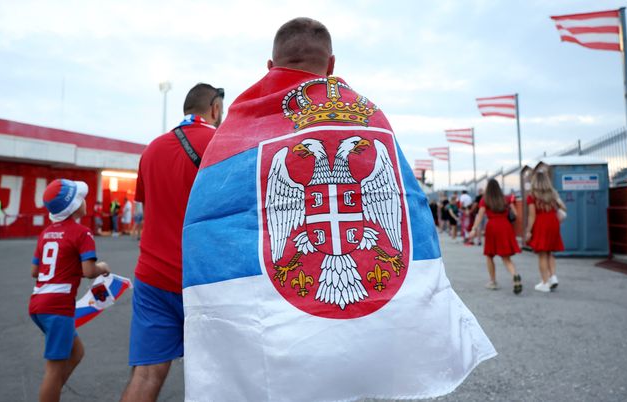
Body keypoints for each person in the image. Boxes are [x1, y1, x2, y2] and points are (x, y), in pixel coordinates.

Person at [179, 17, 496, 401]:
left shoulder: (239, 127)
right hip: (369, 329)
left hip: (283, 333)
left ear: (270, 66)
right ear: (331, 66)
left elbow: (210, 224)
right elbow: (410, 212)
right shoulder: (372, 119)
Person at [120, 83, 224, 402]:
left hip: (152, 276)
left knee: (148, 373)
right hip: (205, 279)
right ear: (215, 108)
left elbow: (149, 208)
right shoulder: (220, 144)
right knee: (218, 373)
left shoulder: (151, 149)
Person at [29, 179, 111, 402]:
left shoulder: (46, 233)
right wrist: (102, 267)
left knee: (76, 352)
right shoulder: (82, 233)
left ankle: (51, 390)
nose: (85, 202)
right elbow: (88, 270)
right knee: (54, 370)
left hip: (38, 304)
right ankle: (50, 391)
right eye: (82, 198)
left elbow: (34, 271)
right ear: (75, 205)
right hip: (58, 307)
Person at [469, 179, 522, 294]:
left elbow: (480, 215)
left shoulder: (485, 200)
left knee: (489, 255)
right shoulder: (505, 199)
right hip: (505, 226)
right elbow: (516, 214)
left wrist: (474, 229)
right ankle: (515, 275)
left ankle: (493, 281)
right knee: (506, 257)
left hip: (492, 227)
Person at [526, 171, 566, 293]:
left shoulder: (532, 195)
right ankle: (553, 277)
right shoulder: (553, 193)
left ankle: (545, 282)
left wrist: (529, 231)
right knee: (549, 252)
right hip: (553, 222)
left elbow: (532, 215)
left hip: (541, 223)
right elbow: (563, 207)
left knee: (542, 254)